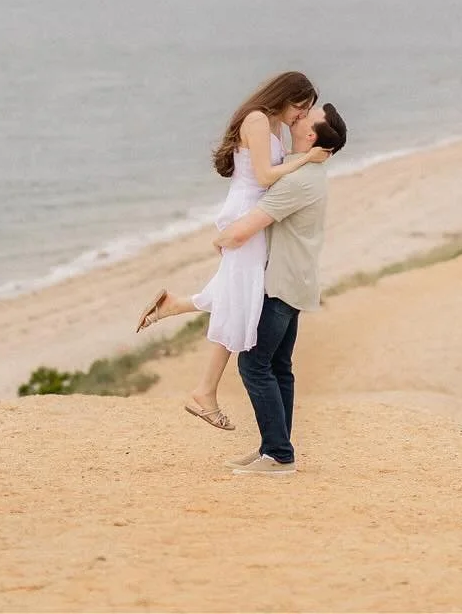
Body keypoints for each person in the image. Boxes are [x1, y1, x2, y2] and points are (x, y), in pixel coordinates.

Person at [135, 72, 330, 431]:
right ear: (287, 97)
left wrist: (300, 150)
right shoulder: (257, 120)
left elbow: (279, 165)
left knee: (238, 294)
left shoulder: (273, 123)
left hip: (258, 213)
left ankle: (175, 309)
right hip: (247, 213)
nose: (301, 117)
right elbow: (267, 176)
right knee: (242, 299)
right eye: (300, 108)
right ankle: (204, 392)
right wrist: (308, 160)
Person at [220, 101, 348, 476]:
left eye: (309, 116)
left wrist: (222, 239)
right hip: (296, 280)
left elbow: (244, 230)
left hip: (281, 284)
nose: (301, 115)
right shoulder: (306, 172)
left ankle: (278, 453)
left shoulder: (298, 180)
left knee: (253, 364)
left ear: (310, 135)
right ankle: (272, 447)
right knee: (278, 366)